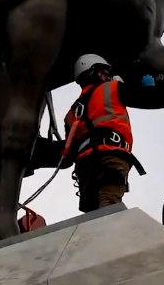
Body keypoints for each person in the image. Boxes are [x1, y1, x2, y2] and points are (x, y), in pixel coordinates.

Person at [62, 53, 147, 212]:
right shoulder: (113, 88)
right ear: (96, 73)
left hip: (85, 166)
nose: (107, 75)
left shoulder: (72, 113)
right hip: (111, 155)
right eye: (104, 72)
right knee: (109, 204)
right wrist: (148, 78)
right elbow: (144, 93)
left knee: (93, 212)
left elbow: (68, 152)